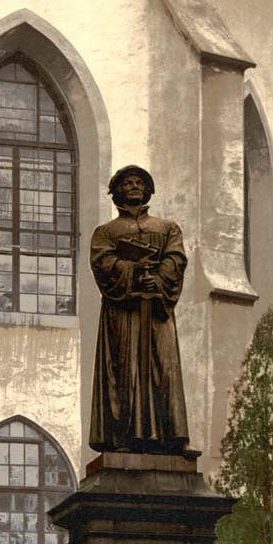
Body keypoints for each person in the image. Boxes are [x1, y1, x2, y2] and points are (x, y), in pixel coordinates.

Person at [89, 166, 190, 454]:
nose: (134, 187)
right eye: (127, 183)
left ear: (148, 190)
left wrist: (157, 280)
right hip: (124, 313)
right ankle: (125, 437)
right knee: (125, 369)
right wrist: (133, 271)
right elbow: (102, 263)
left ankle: (171, 438)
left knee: (165, 367)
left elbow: (176, 258)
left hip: (157, 309)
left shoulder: (167, 228)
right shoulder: (106, 232)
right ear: (116, 192)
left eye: (139, 182)